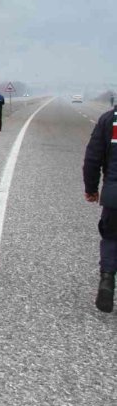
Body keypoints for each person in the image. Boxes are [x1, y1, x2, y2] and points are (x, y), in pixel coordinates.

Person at [83, 102, 117, 312]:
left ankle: (107, 279)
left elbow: (92, 159)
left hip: (114, 195)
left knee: (112, 237)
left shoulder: (108, 120)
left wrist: (91, 188)